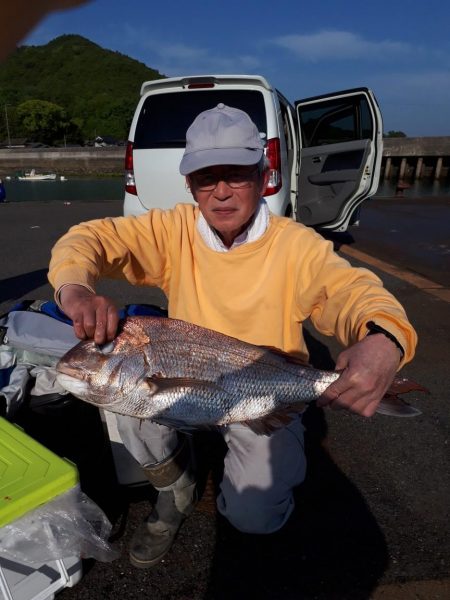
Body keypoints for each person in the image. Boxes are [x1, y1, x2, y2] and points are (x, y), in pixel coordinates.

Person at [48, 103, 417, 569]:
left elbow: (351, 290)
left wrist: (383, 338)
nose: (221, 192)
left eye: (237, 175)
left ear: (263, 175)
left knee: (256, 517)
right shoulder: (172, 230)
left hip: (264, 392)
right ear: (190, 185)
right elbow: (88, 239)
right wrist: (76, 290)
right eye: (206, 177)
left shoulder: (295, 245)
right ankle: (176, 489)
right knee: (124, 407)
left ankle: (256, 491)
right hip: (185, 379)